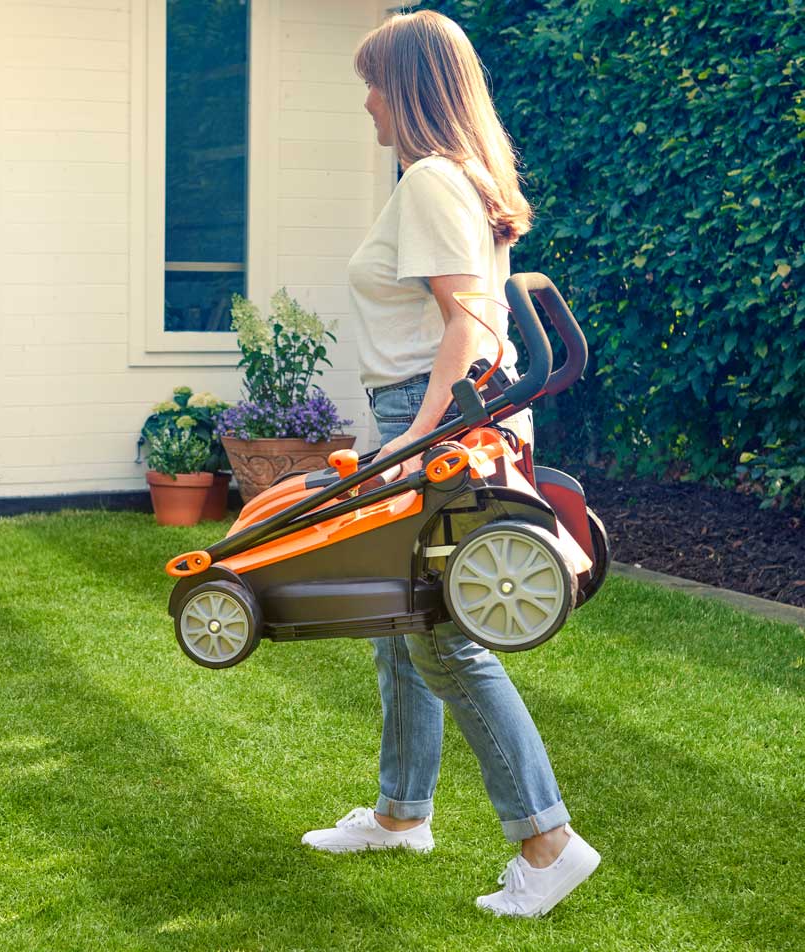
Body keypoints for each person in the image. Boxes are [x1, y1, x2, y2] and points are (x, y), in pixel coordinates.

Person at [300, 10, 601, 918]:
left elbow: (468, 322)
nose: (366, 102)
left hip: (429, 416)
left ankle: (548, 842)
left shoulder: (432, 179)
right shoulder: (461, 180)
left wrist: (416, 436)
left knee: (444, 638)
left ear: (412, 90)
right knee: (403, 615)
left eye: (376, 83)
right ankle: (401, 813)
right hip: (443, 411)